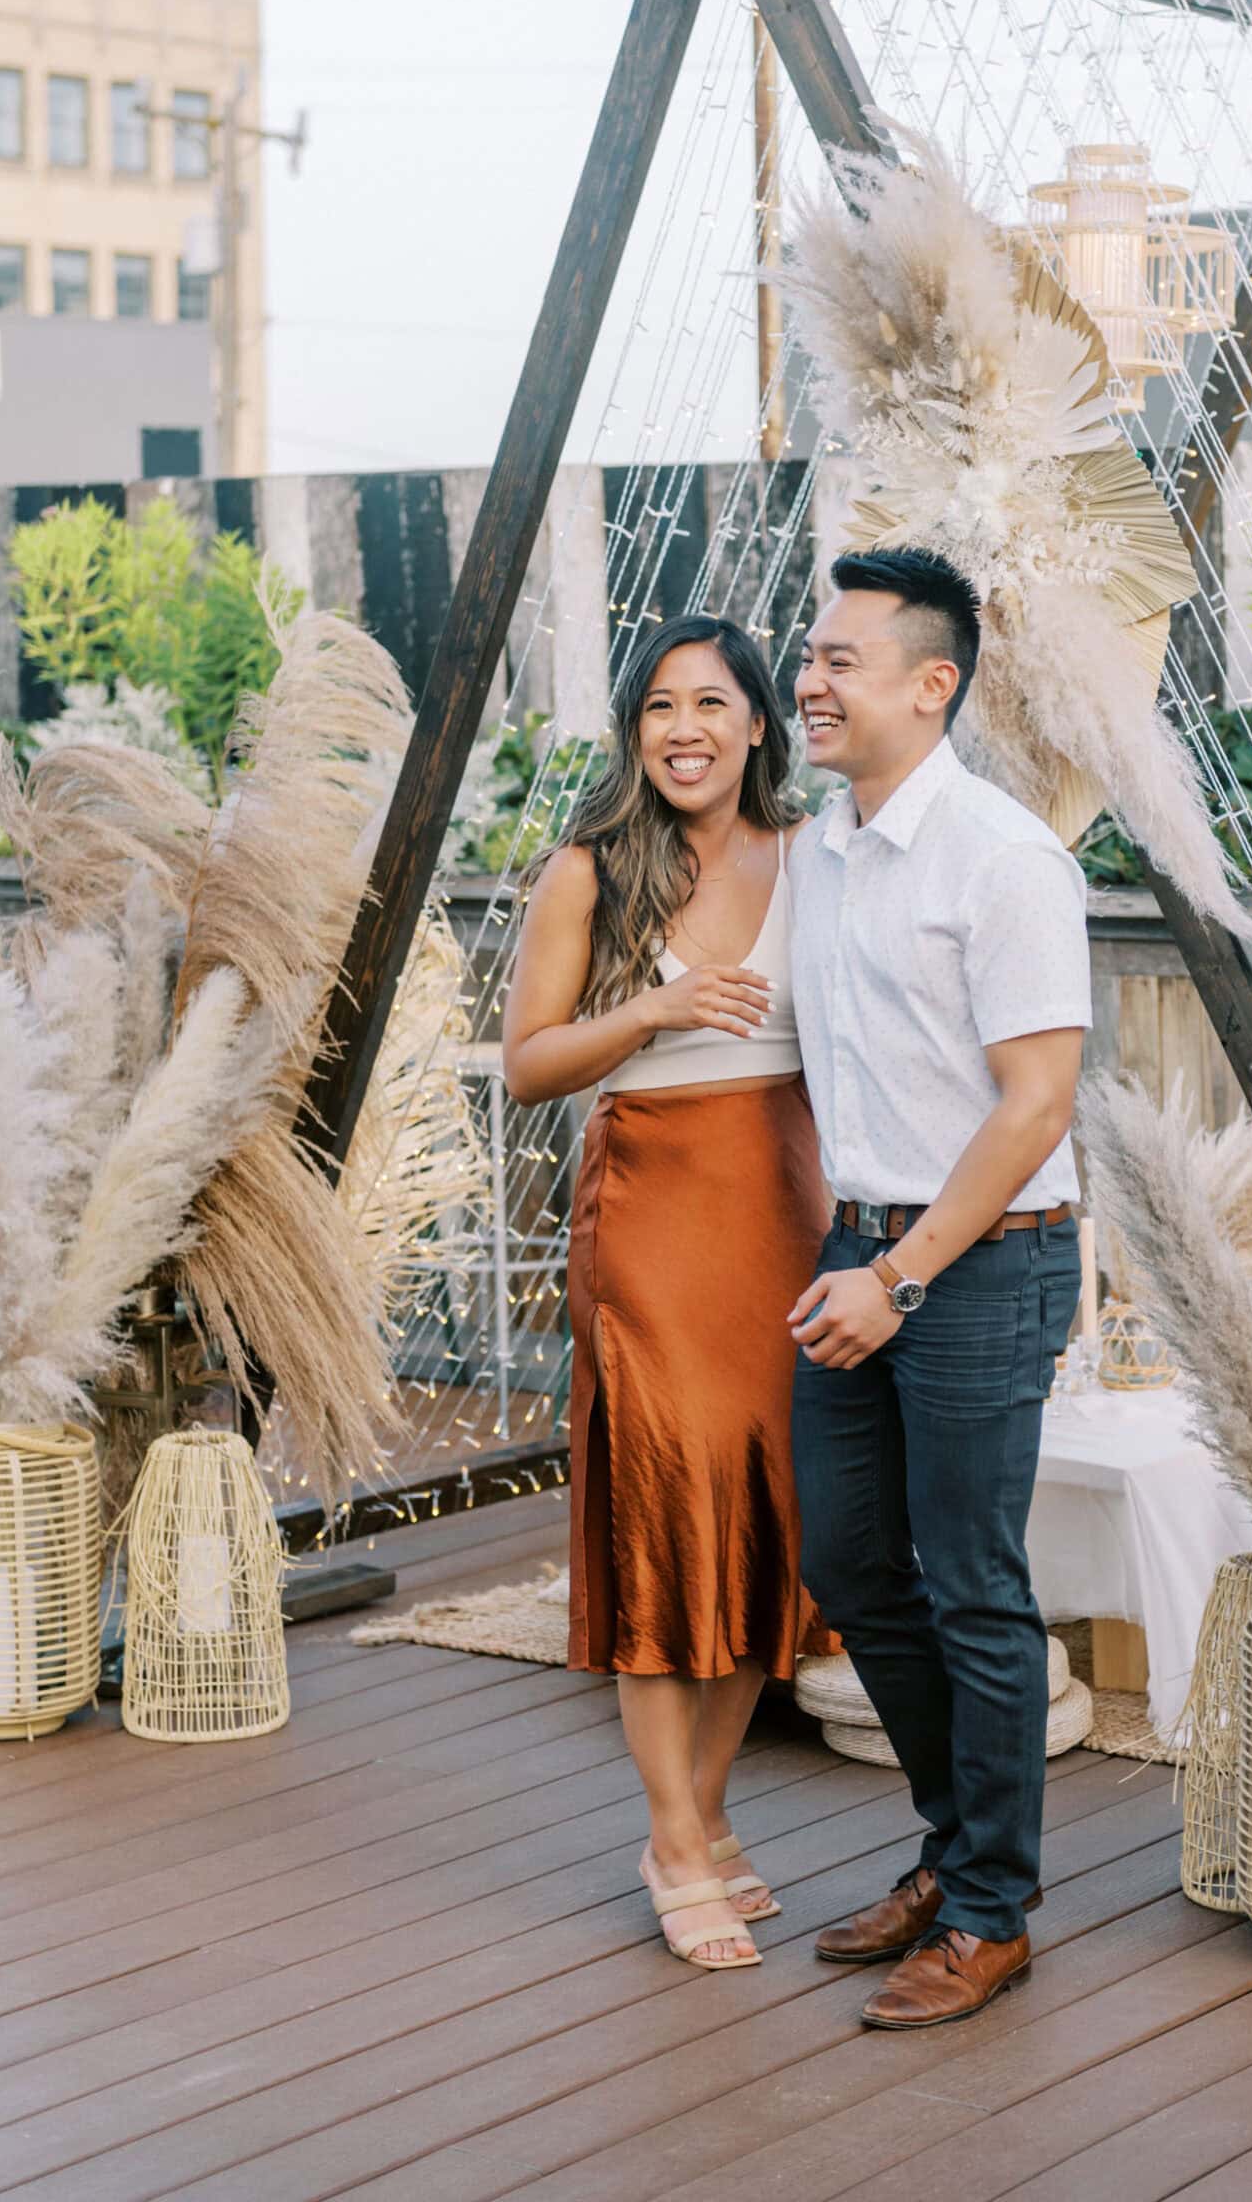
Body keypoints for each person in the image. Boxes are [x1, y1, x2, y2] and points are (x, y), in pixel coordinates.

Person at [502, 613, 832, 1974]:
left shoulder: (821, 859)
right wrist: (650, 1012)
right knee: (663, 1503)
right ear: (634, 735)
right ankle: (678, 1841)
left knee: (769, 1510)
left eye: (710, 702)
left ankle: (697, 1821)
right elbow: (526, 1063)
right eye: (656, 706)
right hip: (650, 1217)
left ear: (759, 723)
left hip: (790, 1212)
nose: (683, 728)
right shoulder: (590, 873)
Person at [788, 545, 1089, 2030]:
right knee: (849, 1566)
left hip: (979, 1262)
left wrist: (896, 1279)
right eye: (811, 655)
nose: (811, 679)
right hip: (860, 1249)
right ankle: (951, 1847)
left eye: (843, 659)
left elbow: (1034, 1106)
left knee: (975, 1586)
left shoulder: (1003, 857)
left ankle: (987, 1911)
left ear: (932, 683)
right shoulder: (822, 850)